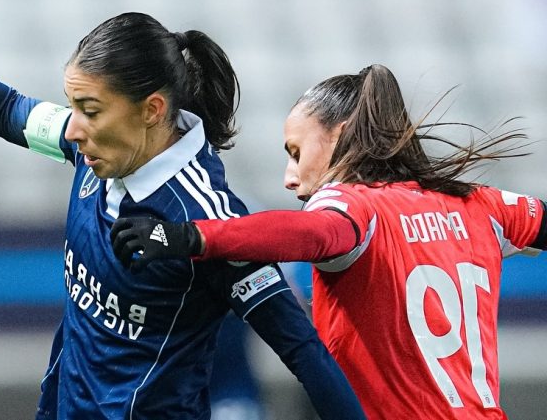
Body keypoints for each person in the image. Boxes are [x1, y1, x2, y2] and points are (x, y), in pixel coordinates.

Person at [0, 0, 365, 420]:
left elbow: (305, 353)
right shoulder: (94, 152)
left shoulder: (209, 221)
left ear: (151, 110)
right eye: (73, 106)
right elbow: (4, 107)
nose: (75, 128)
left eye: (90, 108)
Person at [111, 64, 547, 419]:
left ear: (338, 137)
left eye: (296, 152)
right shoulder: (480, 206)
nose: (290, 177)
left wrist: (191, 235)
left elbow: (315, 234)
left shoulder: (354, 205)